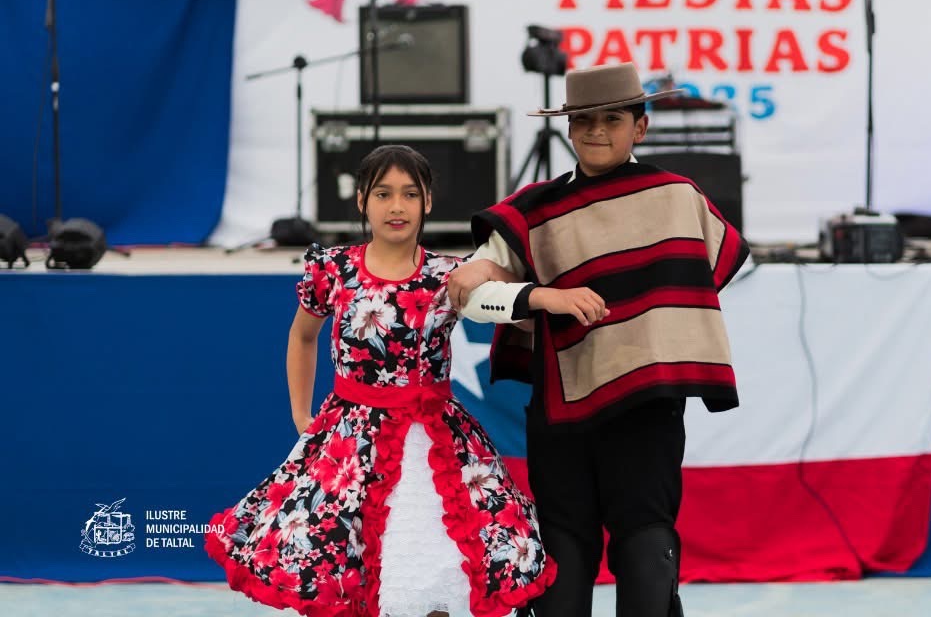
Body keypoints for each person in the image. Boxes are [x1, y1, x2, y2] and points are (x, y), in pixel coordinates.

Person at [450, 62, 750, 617]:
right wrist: (536, 295)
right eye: (583, 119)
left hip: (648, 406)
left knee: (646, 545)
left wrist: (646, 325)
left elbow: (703, 273)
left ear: (640, 127)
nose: (595, 130)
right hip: (561, 412)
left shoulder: (676, 197)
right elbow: (467, 295)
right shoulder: (532, 211)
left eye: (612, 118)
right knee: (563, 549)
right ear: (568, 128)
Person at [206, 145, 557, 617]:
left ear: (427, 201)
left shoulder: (450, 275)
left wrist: (503, 274)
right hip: (349, 446)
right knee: (357, 583)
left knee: (441, 581)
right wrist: (299, 412)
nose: (397, 206)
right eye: (384, 194)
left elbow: (519, 312)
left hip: (435, 445)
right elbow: (302, 337)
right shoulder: (334, 270)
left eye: (410, 194)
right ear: (361, 202)